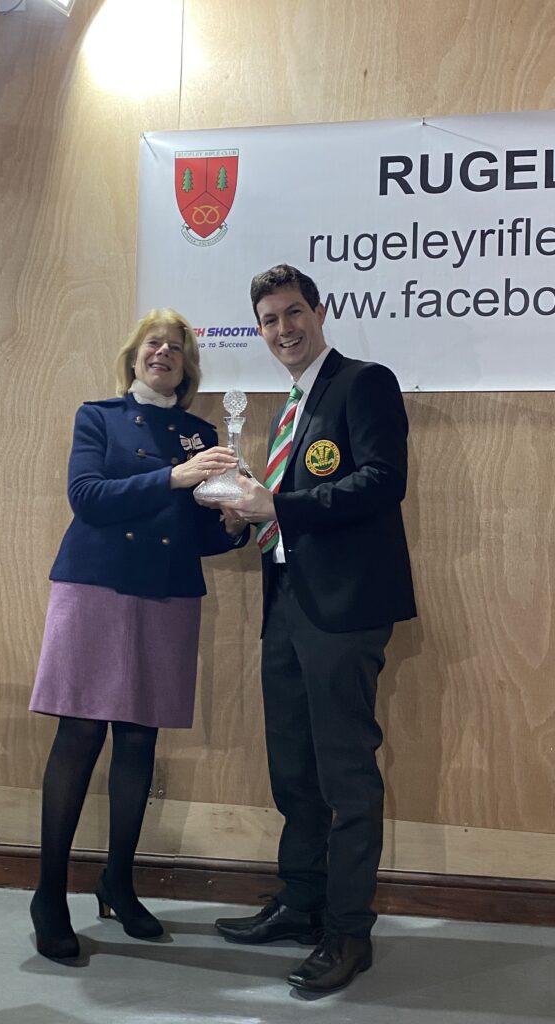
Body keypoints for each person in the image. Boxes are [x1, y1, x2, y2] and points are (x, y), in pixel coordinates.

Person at [212, 264, 416, 995]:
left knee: (346, 777)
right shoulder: (288, 408)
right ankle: (301, 902)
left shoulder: (364, 382)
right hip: (289, 608)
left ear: (321, 313)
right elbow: (287, 502)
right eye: (269, 320)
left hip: (346, 611)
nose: (283, 330)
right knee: (292, 768)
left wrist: (283, 508)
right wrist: (249, 513)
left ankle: (347, 930)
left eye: (293, 313)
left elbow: (382, 480)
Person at [29, 308, 247, 961]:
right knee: (79, 734)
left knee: (139, 740)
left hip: (167, 592)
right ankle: (48, 895)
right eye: (155, 342)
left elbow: (199, 532)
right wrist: (175, 478)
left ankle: (117, 883)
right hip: (96, 585)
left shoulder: (202, 432)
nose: (164, 352)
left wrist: (232, 524)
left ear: (187, 364)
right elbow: (87, 497)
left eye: (176, 346)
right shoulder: (96, 416)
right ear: (133, 354)